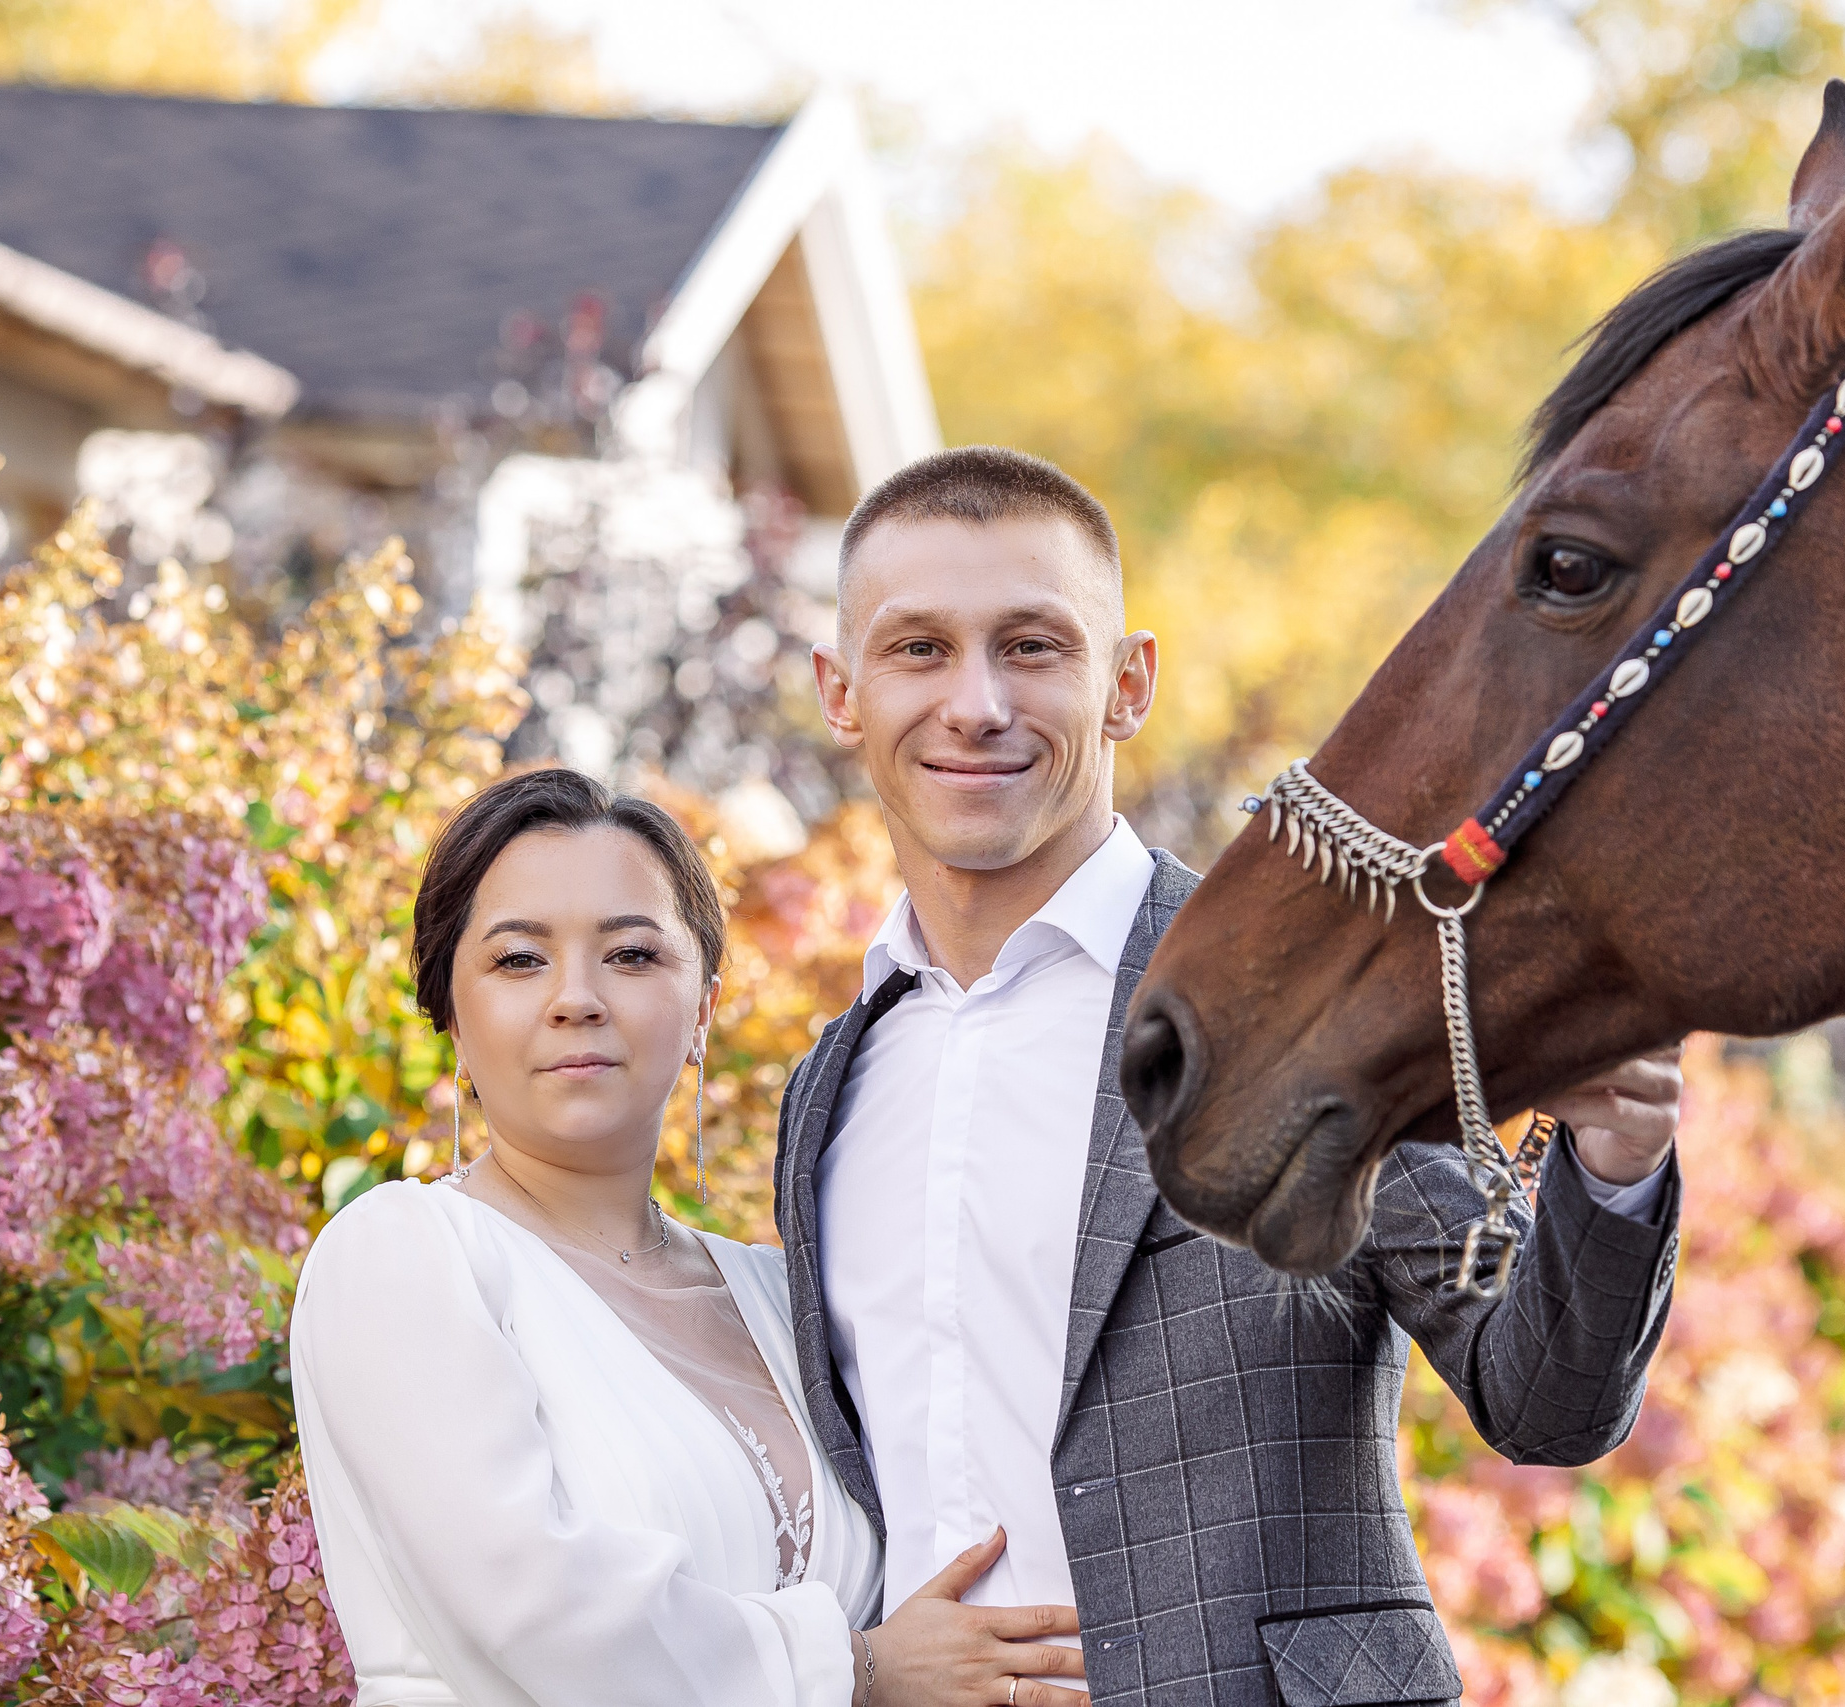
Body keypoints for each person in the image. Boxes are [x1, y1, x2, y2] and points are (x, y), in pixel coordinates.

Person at [777, 448, 1689, 1706]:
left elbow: (1544, 1402)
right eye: (917, 649)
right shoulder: (829, 1085)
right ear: (840, 691)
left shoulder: (1313, 996)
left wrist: (1617, 1165)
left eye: (1034, 646)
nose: (976, 702)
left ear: (1127, 682)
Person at [290, 768, 1088, 1707]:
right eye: (518, 960)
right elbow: (531, 1609)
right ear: (451, 1016)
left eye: (631, 954)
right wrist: (859, 1671)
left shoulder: (778, 1294)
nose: (576, 997)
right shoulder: (403, 1259)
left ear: (703, 1004)